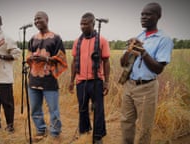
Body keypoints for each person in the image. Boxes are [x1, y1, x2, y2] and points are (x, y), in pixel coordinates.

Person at [120, 2, 174, 144]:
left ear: (158, 16)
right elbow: (123, 63)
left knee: (145, 127)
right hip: (129, 85)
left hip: (147, 88)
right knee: (126, 122)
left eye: (148, 14)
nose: (143, 17)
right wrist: (129, 50)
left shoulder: (164, 39)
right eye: (142, 14)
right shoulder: (139, 36)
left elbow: (158, 69)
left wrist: (143, 52)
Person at [68, 12, 110, 144]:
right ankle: (84, 132)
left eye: (85, 24)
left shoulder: (102, 40)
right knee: (83, 108)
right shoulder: (77, 41)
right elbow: (74, 61)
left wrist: (106, 82)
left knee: (98, 109)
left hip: (96, 81)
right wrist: (71, 80)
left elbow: (106, 61)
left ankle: (98, 136)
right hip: (81, 81)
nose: (82, 26)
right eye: (81, 24)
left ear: (93, 24)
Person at [26, 11, 67, 140]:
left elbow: (62, 58)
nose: (37, 21)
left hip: (49, 80)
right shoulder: (33, 38)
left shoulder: (56, 37)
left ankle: (55, 133)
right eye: (35, 19)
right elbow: (28, 56)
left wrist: (46, 59)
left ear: (47, 19)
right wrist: (31, 57)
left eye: (39, 19)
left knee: (53, 110)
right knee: (35, 108)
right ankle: (41, 130)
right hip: (33, 79)